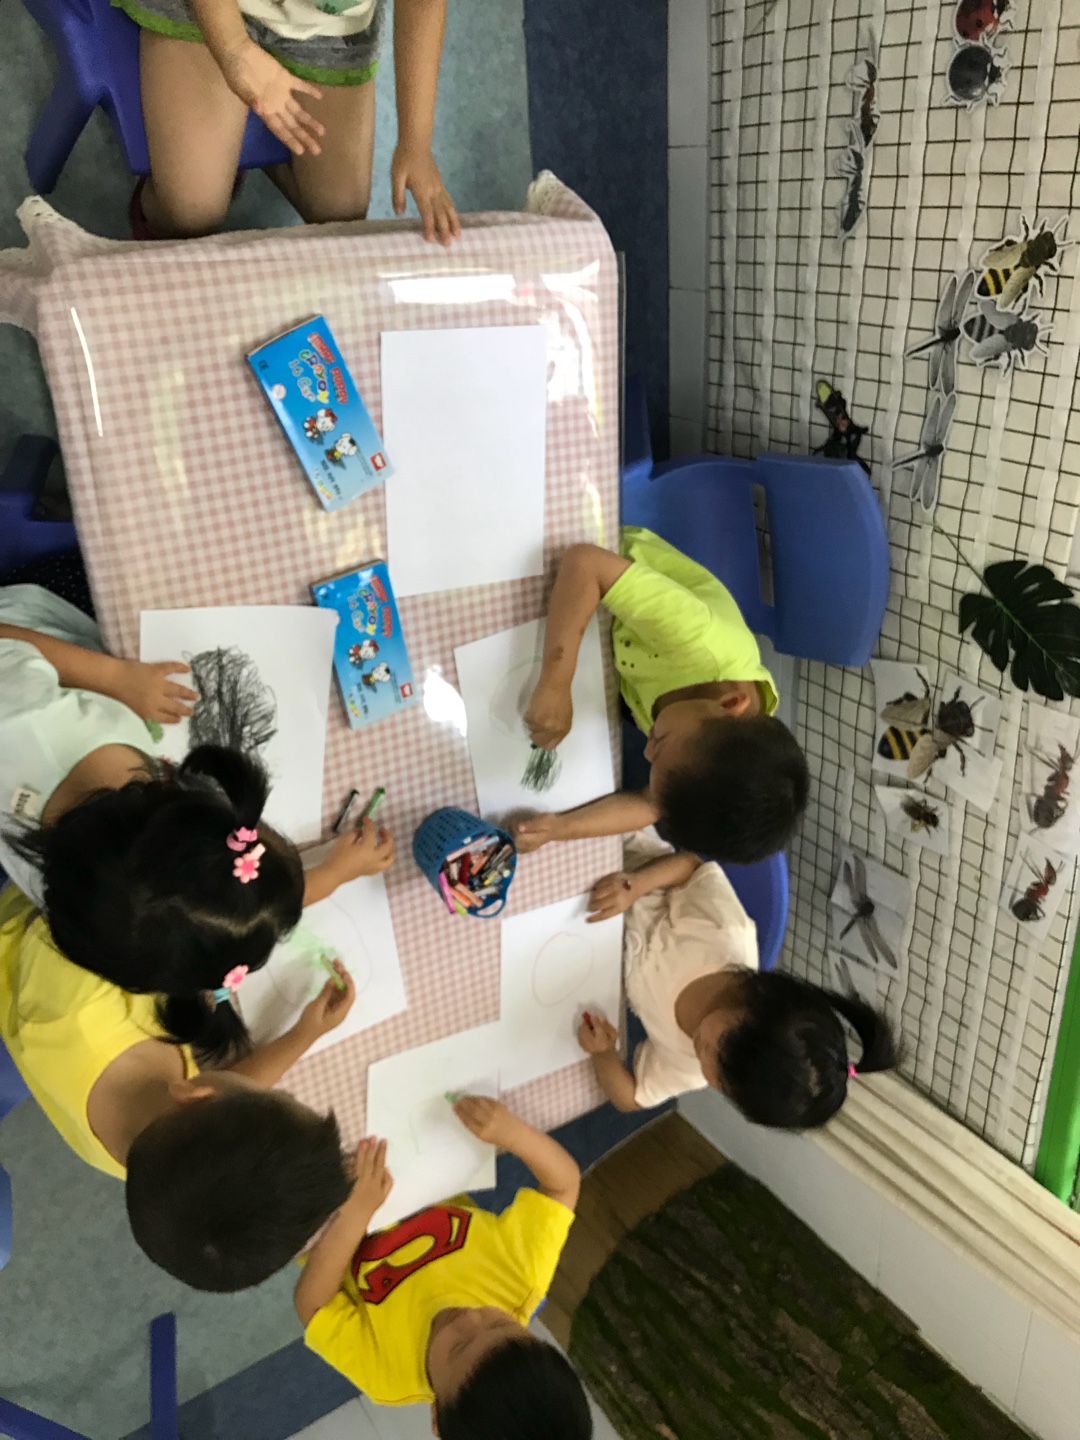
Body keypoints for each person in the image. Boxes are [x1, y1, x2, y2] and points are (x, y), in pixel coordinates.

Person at [0, 583, 394, 1064]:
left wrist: (114, 676)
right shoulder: (93, 902)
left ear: (181, 791)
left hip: (28, 639)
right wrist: (331, 875)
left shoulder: (29, 720)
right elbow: (205, 911)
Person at [0, 876, 357, 1290]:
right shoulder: (153, 1159)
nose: (266, 1087)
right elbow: (229, 1099)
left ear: (195, 1094)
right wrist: (304, 1035)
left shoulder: (78, 1002)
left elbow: (89, 876)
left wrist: (320, 880)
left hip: (45, 907)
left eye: (275, 1094)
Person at [295, 1097, 593, 1439]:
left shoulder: (386, 1374)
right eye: (499, 1322)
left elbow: (312, 1306)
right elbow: (563, 1185)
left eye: (458, 1347)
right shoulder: (521, 1280)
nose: (468, 1318)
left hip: (327, 1206)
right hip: (408, 1142)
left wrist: (354, 1214)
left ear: (437, 1415)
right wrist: (514, 1134)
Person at [513, 533, 810, 866]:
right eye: (662, 740)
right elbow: (584, 563)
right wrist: (556, 683)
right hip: (591, 550)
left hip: (598, 636)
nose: (646, 750)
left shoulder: (725, 742)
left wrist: (559, 828)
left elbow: (649, 805)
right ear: (730, 704)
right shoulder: (697, 636)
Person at [578, 830, 898, 1128]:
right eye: (723, 1045)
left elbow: (630, 1097)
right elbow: (689, 867)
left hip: (581, 950)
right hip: (615, 860)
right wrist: (634, 886)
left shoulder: (690, 1068)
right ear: (760, 999)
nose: (706, 1061)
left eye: (722, 1082)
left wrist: (604, 1055)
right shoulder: (725, 934)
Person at [121, 0, 461, 242]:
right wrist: (234, 49)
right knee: (189, 214)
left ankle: (243, 149)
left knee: (342, 216)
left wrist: (416, 142)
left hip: (329, 25)